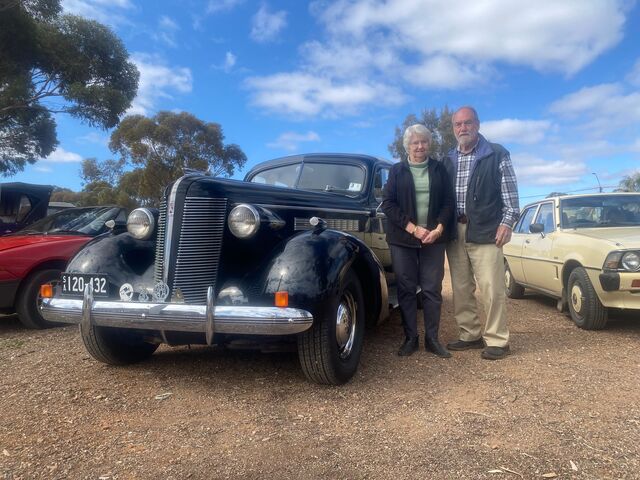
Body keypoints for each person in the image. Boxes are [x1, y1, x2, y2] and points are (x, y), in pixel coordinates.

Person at [442, 106, 520, 360]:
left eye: (467, 123)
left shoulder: (496, 154)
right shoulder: (448, 159)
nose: (463, 128)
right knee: (462, 288)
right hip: (456, 231)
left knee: (491, 287)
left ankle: (498, 339)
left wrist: (507, 223)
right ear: (453, 129)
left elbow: (511, 196)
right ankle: (470, 335)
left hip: (487, 230)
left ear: (477, 124)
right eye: (458, 125)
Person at [382, 124, 455, 357]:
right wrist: (413, 229)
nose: (420, 146)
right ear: (408, 146)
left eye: (423, 142)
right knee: (406, 288)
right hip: (403, 239)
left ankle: (432, 339)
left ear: (429, 144)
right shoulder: (397, 171)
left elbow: (448, 202)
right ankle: (410, 337)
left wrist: (439, 228)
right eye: (415, 143)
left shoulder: (439, 169)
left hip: (434, 238)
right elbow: (388, 204)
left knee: (432, 289)